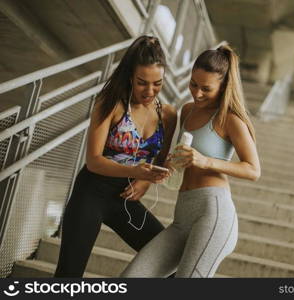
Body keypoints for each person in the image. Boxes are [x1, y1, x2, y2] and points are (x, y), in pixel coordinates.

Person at [121, 44, 261, 278]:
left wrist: (205, 161)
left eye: (206, 88)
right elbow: (174, 158)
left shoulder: (230, 119)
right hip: (182, 217)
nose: (197, 93)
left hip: (213, 214)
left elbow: (253, 170)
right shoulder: (187, 111)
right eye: (193, 84)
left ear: (223, 86)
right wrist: (161, 169)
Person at [54, 36, 177, 277]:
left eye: (157, 83)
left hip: (126, 201)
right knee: (68, 275)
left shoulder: (168, 114)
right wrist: (135, 171)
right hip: (91, 192)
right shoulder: (110, 103)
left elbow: (160, 160)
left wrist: (144, 182)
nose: (149, 91)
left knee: (171, 262)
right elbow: (93, 160)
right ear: (130, 75)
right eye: (142, 82)